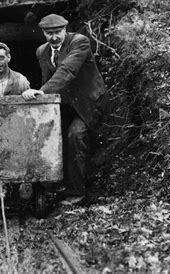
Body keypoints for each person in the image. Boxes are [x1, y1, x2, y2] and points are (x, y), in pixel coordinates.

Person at [22, 14, 108, 202]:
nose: (54, 37)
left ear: (65, 30)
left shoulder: (79, 42)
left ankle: (77, 192)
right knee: (50, 136)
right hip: (67, 104)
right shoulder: (42, 51)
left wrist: (43, 91)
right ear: (43, 33)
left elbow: (67, 70)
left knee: (75, 136)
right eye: (49, 33)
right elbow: (47, 78)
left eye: (58, 32)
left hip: (88, 102)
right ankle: (54, 185)